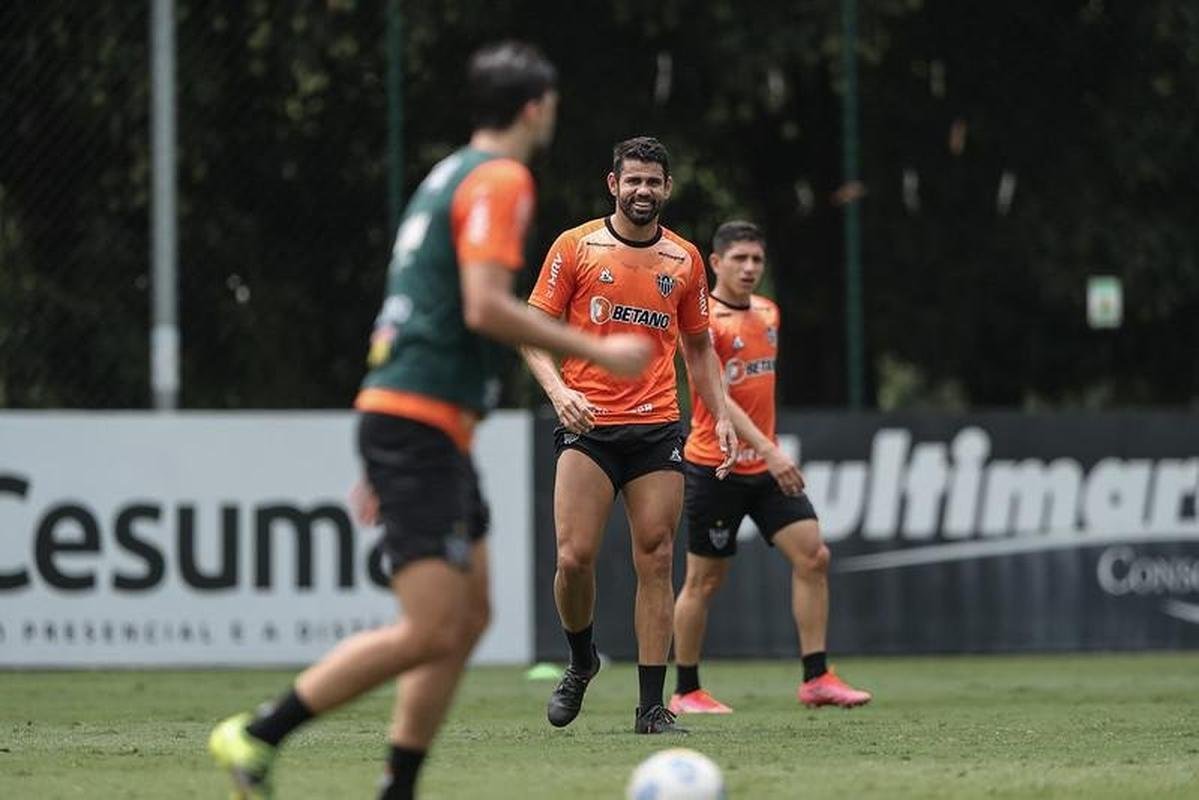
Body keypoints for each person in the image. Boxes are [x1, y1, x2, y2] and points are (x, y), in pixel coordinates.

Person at [208, 42, 653, 800]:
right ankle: (256, 735)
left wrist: (397, 439)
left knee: (468, 617)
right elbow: (482, 306)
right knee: (429, 627)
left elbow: (423, 308)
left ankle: (398, 785)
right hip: (414, 425)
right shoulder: (500, 179)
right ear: (535, 106)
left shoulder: (444, 175)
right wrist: (596, 350)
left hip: (419, 423)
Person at [522, 136, 738, 735]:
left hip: (655, 427)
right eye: (633, 180)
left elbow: (698, 346)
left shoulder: (686, 260)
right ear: (612, 184)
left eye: (654, 181)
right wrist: (559, 393)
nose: (643, 190)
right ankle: (581, 659)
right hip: (587, 425)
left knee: (657, 554)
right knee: (574, 557)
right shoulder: (576, 247)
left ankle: (650, 707)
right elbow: (532, 331)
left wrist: (717, 412)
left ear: (667, 188)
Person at [669, 220, 872, 716]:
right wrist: (771, 449)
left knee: (813, 556)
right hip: (714, 467)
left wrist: (768, 453)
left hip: (764, 468)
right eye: (739, 258)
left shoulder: (769, 313)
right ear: (715, 263)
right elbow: (718, 397)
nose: (749, 268)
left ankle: (816, 676)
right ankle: (686, 690)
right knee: (703, 582)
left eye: (757, 259)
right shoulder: (702, 323)